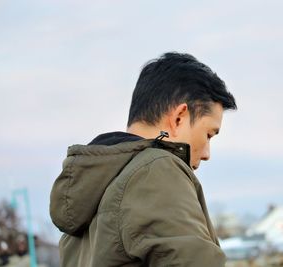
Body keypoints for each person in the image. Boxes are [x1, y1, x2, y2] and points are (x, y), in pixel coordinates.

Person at [50, 52, 237, 266]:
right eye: (209, 135)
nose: (207, 153)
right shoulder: (155, 170)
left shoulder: (95, 186)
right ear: (178, 118)